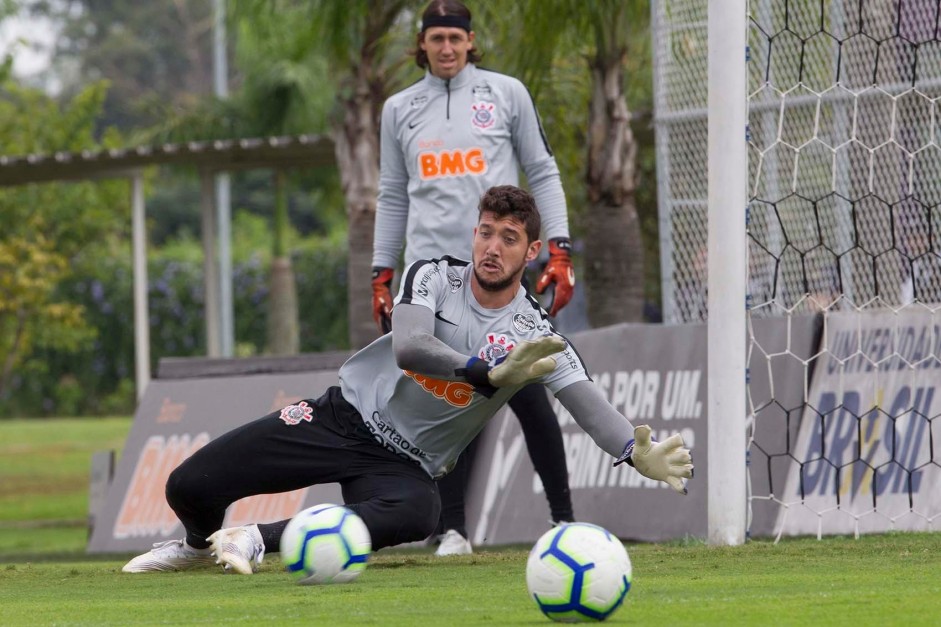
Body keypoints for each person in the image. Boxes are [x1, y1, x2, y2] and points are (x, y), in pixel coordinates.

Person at [122, 185, 693, 575]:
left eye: (509, 238)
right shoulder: (432, 276)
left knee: (420, 514)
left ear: (533, 251)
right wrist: (484, 372)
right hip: (341, 418)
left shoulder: (535, 332)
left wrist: (631, 451)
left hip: (406, 465)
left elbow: (585, 399)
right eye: (486, 232)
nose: (492, 248)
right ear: (474, 233)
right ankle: (198, 548)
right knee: (188, 487)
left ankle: (256, 539)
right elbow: (410, 347)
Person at [372, 0, 577, 556]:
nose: (445, 48)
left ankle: (564, 523)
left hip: (498, 276)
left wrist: (558, 246)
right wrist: (382, 270)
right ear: (421, 43)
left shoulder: (504, 93)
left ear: (469, 42)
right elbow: (392, 193)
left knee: (528, 391)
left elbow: (542, 169)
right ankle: (454, 531)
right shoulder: (399, 109)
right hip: (432, 284)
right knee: (448, 402)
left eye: (454, 38)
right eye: (435, 37)